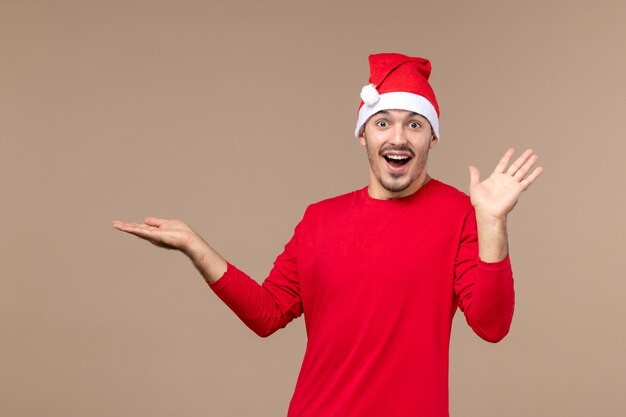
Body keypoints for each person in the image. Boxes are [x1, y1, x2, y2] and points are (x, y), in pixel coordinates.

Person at [112, 52, 542, 417]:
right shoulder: (320, 220)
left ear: (432, 137)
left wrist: (492, 224)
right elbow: (267, 314)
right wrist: (194, 246)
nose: (398, 137)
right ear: (363, 135)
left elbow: (492, 325)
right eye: (383, 123)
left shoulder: (459, 214)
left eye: (414, 124)